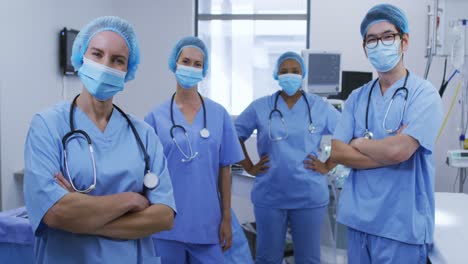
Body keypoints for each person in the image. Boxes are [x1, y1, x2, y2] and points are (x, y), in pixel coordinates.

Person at [23, 16, 176, 264]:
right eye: (97, 54)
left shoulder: (144, 134)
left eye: (118, 60)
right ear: (81, 56)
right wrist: (130, 200)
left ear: (128, 70)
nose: (106, 66)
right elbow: (55, 212)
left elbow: (164, 216)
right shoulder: (47, 126)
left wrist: (83, 216)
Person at [330, 4, 444, 263]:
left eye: (387, 36)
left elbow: (399, 150)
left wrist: (358, 144)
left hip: (400, 227)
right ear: (365, 48)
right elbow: (337, 151)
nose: (379, 44)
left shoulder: (423, 95)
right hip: (359, 224)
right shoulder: (358, 97)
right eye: (372, 39)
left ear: (404, 41)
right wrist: (390, 152)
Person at [145, 36, 244, 264]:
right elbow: (147, 172)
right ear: (174, 64)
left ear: (204, 70)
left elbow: (225, 169)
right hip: (166, 223)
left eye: (197, 64)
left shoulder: (218, 115)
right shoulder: (154, 117)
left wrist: (226, 217)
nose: (191, 68)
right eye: (186, 61)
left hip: (207, 223)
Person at [235, 51, 341, 264]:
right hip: (270, 195)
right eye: (284, 71)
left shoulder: (319, 106)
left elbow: (346, 132)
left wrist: (328, 165)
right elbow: (233, 134)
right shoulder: (261, 106)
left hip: (309, 196)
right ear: (276, 75)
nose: (289, 75)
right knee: (267, 258)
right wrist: (249, 166)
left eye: (295, 71)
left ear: (303, 74)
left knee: (308, 259)